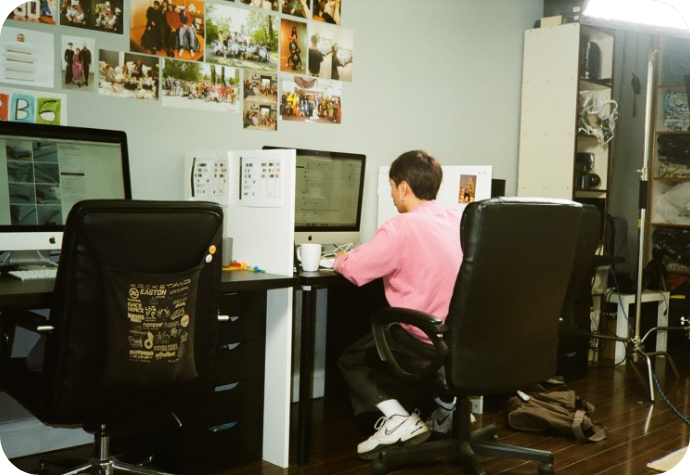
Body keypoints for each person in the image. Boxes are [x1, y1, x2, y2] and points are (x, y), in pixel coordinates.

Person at [334, 150, 463, 460]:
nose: (392, 195)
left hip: (425, 341)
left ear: (403, 187)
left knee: (351, 359)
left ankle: (398, 419)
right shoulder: (460, 219)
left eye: (392, 187)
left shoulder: (401, 227)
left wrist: (340, 259)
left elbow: (354, 269)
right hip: (464, 339)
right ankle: (448, 409)